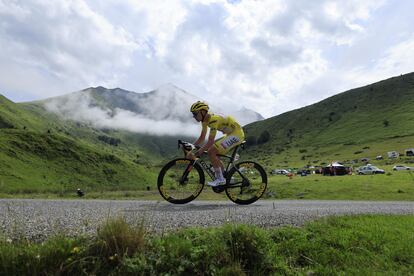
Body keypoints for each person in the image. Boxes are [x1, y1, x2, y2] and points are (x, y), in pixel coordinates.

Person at [187, 101, 245, 187]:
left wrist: (198, 152)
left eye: (195, 114)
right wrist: (191, 147)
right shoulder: (205, 121)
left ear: (203, 112)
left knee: (211, 151)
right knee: (215, 154)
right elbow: (202, 137)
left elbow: (210, 141)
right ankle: (225, 176)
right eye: (193, 114)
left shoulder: (213, 120)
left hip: (237, 134)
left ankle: (220, 179)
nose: (194, 116)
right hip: (230, 134)